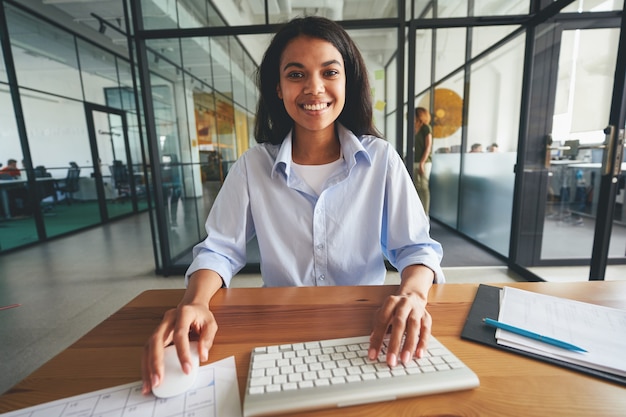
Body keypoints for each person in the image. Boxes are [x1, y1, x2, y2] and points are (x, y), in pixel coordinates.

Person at [141, 16, 444, 395]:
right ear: (278, 89)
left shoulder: (381, 159)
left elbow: (414, 247)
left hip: (367, 326)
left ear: (347, 81)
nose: (314, 88)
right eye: (296, 74)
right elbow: (219, 249)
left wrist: (413, 295)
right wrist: (196, 301)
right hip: (279, 326)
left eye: (329, 72)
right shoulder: (253, 166)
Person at [413, 107, 433, 215]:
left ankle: (426, 214)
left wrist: (422, 163)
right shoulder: (415, 129)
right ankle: (418, 213)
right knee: (416, 186)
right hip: (414, 161)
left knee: (424, 187)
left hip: (424, 162)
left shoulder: (426, 128)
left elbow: (428, 147)